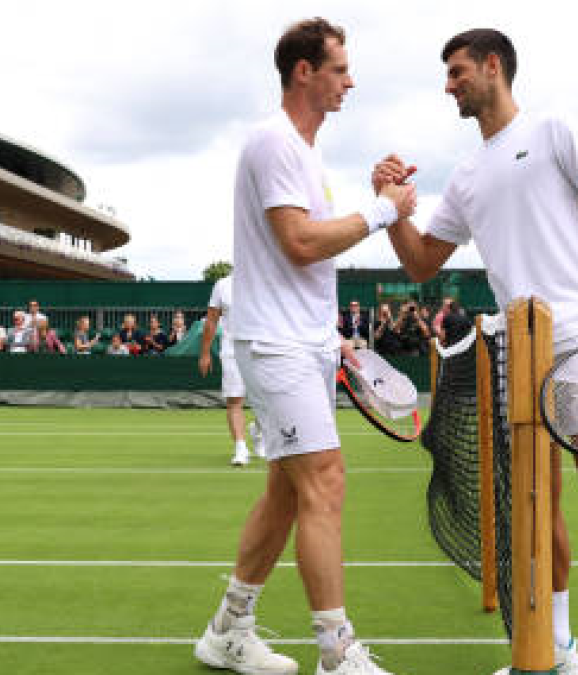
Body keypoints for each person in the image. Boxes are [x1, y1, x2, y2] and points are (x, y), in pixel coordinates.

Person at [373, 28, 578, 674]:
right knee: (538, 500)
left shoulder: (556, 128)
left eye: (457, 72)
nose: (448, 84)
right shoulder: (464, 177)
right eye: (447, 75)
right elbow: (423, 262)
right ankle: (556, 648)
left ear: (492, 66)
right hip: (518, 350)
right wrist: (391, 210)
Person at [192, 18, 415, 675]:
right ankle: (337, 650)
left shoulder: (305, 155)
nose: (350, 80)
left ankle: (227, 628)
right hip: (275, 348)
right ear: (304, 73)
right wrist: (383, 210)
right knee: (326, 480)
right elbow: (298, 241)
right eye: (340, 68)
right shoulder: (272, 143)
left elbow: (302, 266)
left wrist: (335, 338)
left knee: (288, 494)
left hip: (305, 344)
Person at [200, 275, 258, 466]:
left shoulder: (267, 279)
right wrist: (205, 353)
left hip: (266, 349)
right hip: (232, 351)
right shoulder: (222, 285)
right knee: (234, 400)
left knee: (272, 401)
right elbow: (211, 321)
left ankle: (258, 431)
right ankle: (241, 448)